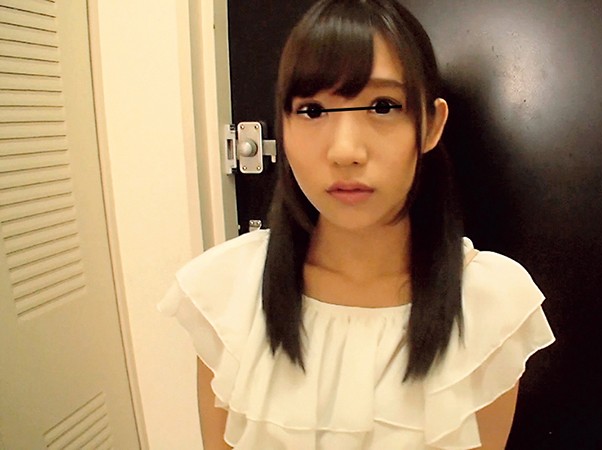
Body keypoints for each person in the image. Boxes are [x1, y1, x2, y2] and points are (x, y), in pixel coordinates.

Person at [159, 0, 555, 448]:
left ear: (431, 125)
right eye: (312, 110)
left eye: (383, 106)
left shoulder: (490, 306)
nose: (345, 151)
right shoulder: (225, 293)